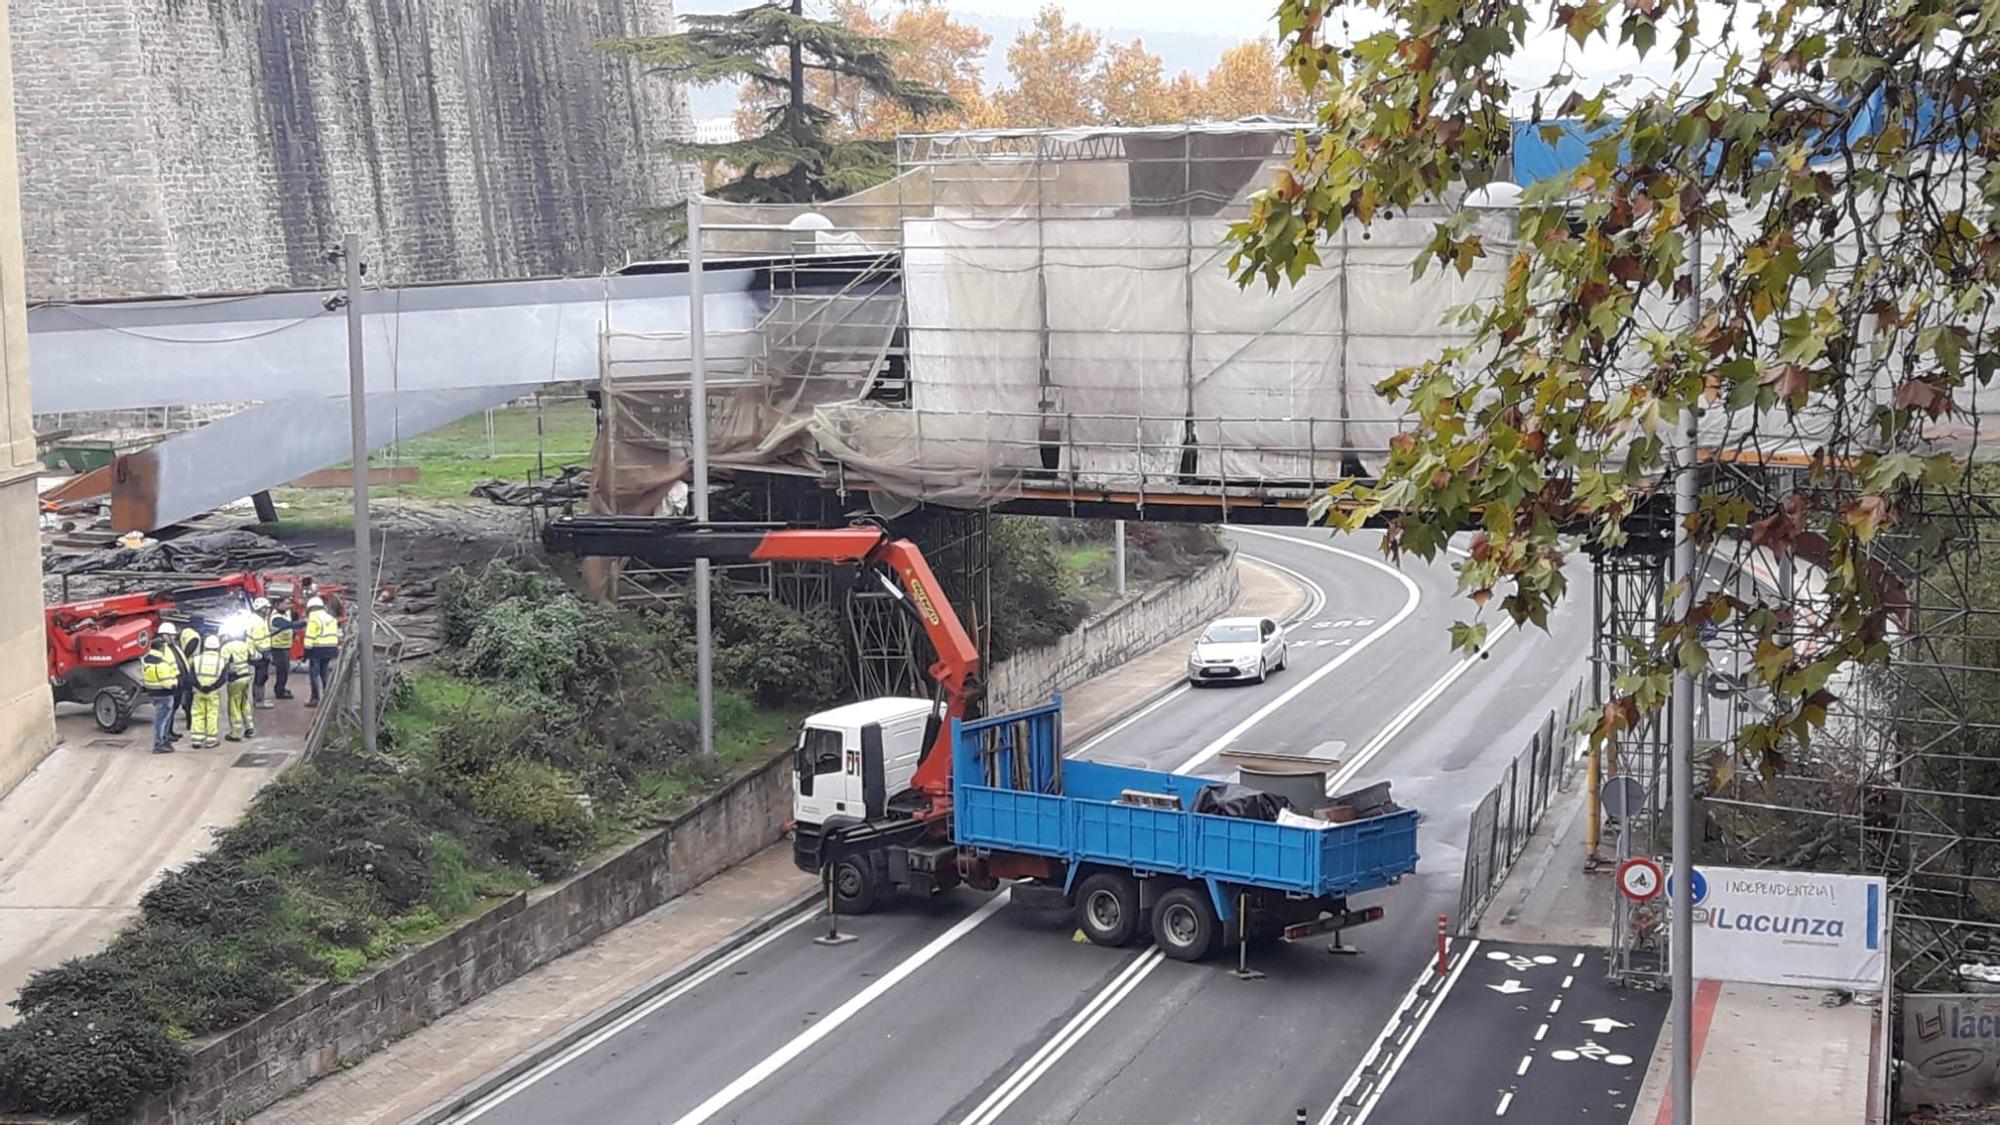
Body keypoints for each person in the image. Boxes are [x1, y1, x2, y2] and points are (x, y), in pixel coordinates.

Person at [139, 633, 181, 754]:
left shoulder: (145, 660)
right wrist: (175, 682)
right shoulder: (161, 664)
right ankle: (160, 743)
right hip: (164, 694)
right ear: (160, 648)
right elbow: (167, 682)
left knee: (160, 718)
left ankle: (163, 740)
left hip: (153, 692)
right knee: (162, 720)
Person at [189, 634, 228, 749]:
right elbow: (222, 679)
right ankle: (211, 740)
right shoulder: (222, 661)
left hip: (198, 691)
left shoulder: (196, 659)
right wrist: (212, 687)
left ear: (205, 646)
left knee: (197, 714)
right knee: (212, 715)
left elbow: (191, 676)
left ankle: (197, 739)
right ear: (218, 647)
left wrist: (200, 686)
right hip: (213, 693)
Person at [303, 595, 340, 707]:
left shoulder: (313, 619)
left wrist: (306, 652)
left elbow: (309, 637)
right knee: (325, 672)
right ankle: (327, 696)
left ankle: (315, 698)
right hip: (331, 648)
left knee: (314, 674)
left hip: (317, 649)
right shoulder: (331, 618)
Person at [219, 628, 255, 741]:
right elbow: (255, 656)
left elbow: (222, 664)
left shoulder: (227, 647)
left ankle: (236, 733)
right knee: (244, 703)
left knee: (234, 705)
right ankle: (250, 727)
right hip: (246, 677)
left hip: (235, 679)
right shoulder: (245, 645)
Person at [265, 599, 297, 701]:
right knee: (282, 670)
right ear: (278, 604)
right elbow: (288, 625)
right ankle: (279, 691)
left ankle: (281, 688)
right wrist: (304, 623)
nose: (289, 606)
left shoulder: (286, 613)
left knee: (285, 670)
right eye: (286, 604)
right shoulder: (276, 618)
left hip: (285, 646)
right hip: (278, 647)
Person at [176, 617, 204, 737]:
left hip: (185, 666)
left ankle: (186, 712)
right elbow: (189, 651)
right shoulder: (195, 637)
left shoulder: (185, 631)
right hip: (191, 666)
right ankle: (190, 721)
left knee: (186, 694)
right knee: (191, 695)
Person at [247, 598, 275, 709]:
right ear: (262, 609)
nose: (268, 610)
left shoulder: (256, 619)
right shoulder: (258, 622)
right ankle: (259, 701)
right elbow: (259, 640)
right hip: (259, 654)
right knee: (261, 677)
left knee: (260, 677)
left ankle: (259, 699)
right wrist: (267, 654)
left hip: (256, 652)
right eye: (267, 608)